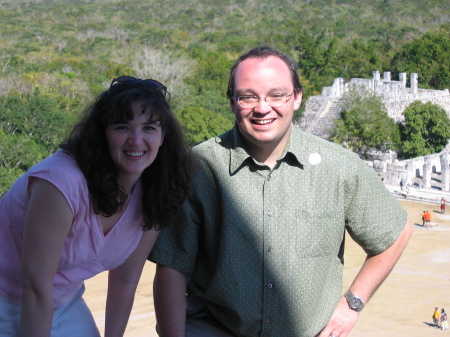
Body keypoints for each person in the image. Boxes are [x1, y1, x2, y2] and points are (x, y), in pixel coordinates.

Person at [149, 47, 411, 337]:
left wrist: (352, 304)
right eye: (248, 96)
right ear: (232, 102)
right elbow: (172, 268)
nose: (262, 107)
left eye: (277, 95)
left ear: (297, 98)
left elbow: (395, 234)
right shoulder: (198, 168)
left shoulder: (338, 167)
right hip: (216, 327)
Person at [0, 76, 191, 336]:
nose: (136, 140)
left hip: (64, 302)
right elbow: (35, 288)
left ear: (163, 136)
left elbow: (125, 281)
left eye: (148, 128)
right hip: (9, 298)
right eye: (122, 127)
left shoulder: (155, 192)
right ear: (103, 133)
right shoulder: (60, 183)